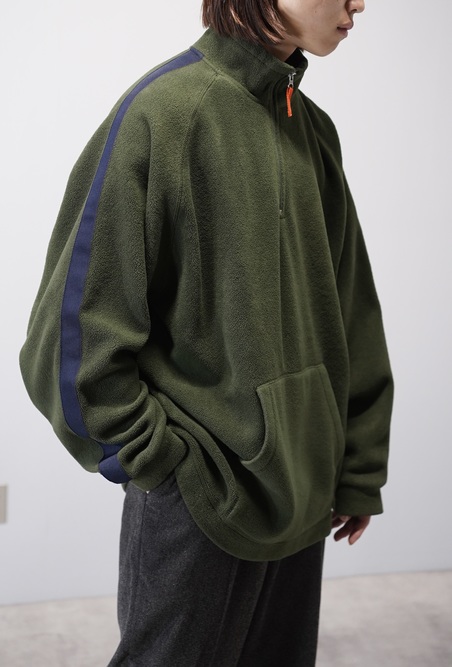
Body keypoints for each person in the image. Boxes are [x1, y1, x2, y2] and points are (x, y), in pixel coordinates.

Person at [19, 0, 394, 664]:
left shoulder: (312, 129)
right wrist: (161, 466)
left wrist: (356, 467)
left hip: (304, 491)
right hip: (201, 498)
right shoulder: (165, 113)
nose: (358, 2)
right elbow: (69, 339)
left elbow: (350, 308)